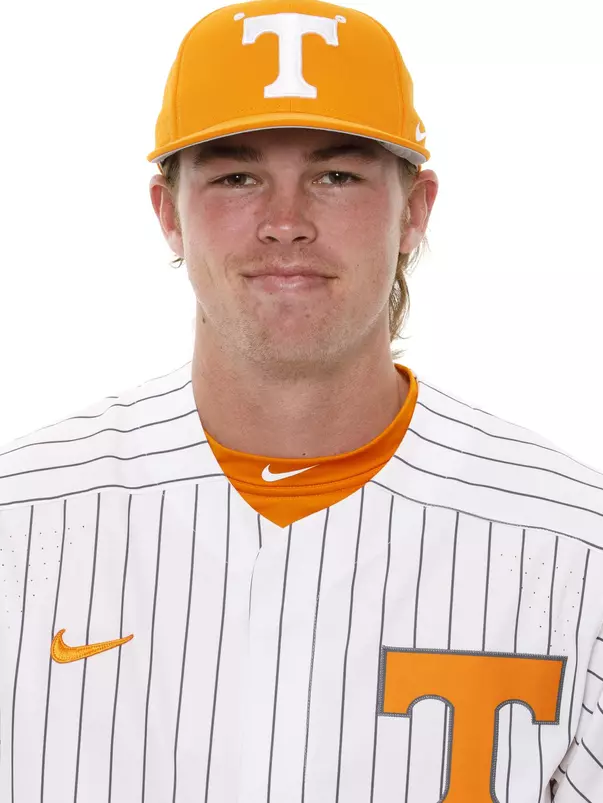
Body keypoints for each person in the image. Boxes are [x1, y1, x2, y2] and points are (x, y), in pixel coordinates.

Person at [0, 0, 602, 800]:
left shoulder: (573, 546)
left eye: (335, 176)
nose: (285, 223)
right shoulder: (21, 525)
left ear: (413, 212)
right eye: (237, 176)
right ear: (168, 214)